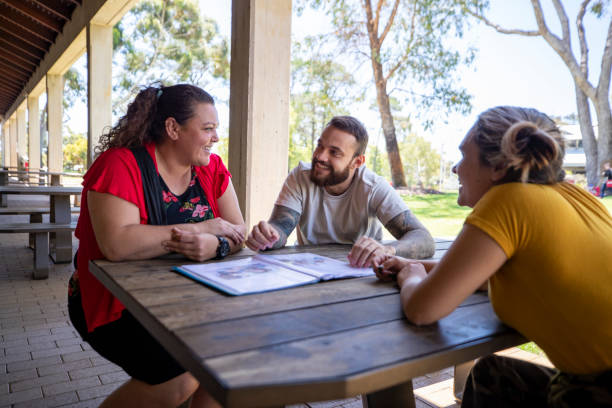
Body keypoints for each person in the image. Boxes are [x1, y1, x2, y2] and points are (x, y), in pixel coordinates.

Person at [375, 106, 612, 407]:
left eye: (463, 156)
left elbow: (423, 310)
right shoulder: (572, 195)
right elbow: (505, 275)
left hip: (598, 388)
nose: (455, 168)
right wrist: (419, 265)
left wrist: (411, 276)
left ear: (498, 168)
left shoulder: (508, 199)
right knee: (492, 375)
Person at [67, 84, 245, 408]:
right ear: (173, 128)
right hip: (115, 303)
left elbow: (237, 231)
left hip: (186, 301)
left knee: (225, 366)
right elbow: (117, 244)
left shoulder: (212, 168)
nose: (215, 137)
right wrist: (201, 227)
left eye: (215, 128)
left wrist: (216, 246)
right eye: (207, 128)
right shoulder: (120, 164)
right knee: (182, 377)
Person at [246, 115, 435, 267]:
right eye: (320, 145)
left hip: (360, 272)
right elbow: (280, 227)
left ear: (357, 162)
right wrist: (269, 236)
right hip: (307, 272)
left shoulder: (373, 186)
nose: (320, 156)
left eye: (334, 152)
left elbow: (424, 238)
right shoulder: (300, 176)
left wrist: (387, 250)